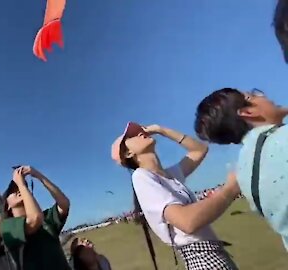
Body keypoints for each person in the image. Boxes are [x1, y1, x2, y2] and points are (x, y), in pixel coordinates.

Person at [111, 122, 240, 269]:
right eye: (132, 136)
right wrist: (230, 189)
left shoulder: (169, 175)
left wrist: (161, 130)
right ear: (128, 153)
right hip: (202, 258)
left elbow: (200, 149)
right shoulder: (141, 176)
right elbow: (186, 222)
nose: (141, 132)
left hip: (212, 253)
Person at [194, 87, 288, 249]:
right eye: (254, 95)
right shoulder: (283, 138)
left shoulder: (244, 173)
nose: (264, 96)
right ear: (248, 112)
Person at [0, 166, 71, 270]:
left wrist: (38, 175)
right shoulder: (8, 227)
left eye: (20, 188)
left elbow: (64, 204)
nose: (19, 190)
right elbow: (34, 219)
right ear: (7, 206)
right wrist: (22, 184)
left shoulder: (45, 218)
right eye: (13, 191)